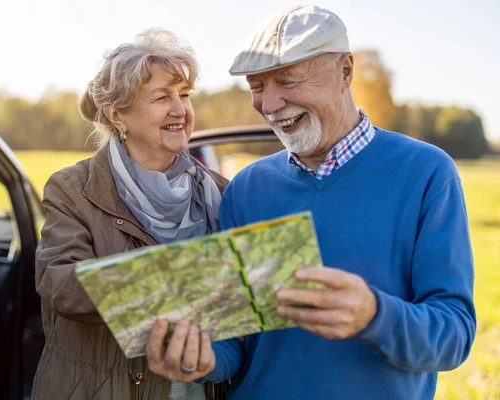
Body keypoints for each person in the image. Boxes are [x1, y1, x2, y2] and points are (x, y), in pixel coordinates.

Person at [146, 5, 476, 399]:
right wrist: (202, 360)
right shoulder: (247, 189)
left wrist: (374, 315)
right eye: (257, 87)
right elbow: (237, 340)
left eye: (287, 80)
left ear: (345, 72)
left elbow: (454, 334)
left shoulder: (426, 173)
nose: (269, 104)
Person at [32, 28, 228, 400]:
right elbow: (60, 283)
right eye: (161, 97)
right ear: (117, 114)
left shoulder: (218, 190)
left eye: (184, 95)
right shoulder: (73, 188)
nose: (179, 109)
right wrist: (177, 278)